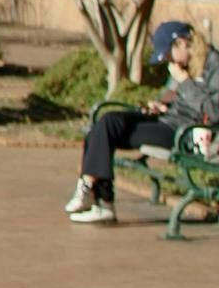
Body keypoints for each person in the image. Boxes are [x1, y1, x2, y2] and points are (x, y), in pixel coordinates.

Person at [66, 21, 215, 225]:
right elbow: (177, 98)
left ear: (181, 43)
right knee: (107, 121)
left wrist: (185, 82)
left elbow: (213, 111)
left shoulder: (213, 65)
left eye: (168, 55)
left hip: (184, 132)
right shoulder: (183, 64)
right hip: (167, 118)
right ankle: (95, 193)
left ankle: (97, 196)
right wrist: (162, 103)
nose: (169, 62)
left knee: (106, 129)